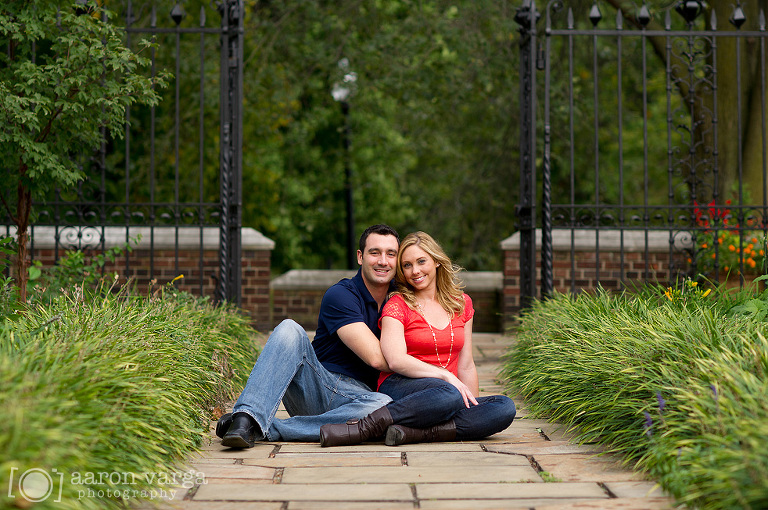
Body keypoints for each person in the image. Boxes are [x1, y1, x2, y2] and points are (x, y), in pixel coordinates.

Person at [319, 231, 516, 447]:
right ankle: (368, 426)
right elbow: (394, 360)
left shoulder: (461, 303)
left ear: (436, 262)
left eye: (421, 261)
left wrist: (471, 406)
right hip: (402, 383)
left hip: (443, 392)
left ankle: (414, 433)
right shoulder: (397, 304)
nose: (415, 271)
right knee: (449, 394)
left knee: (504, 407)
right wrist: (445, 377)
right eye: (407, 265)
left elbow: (466, 364)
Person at [218, 224, 400, 447]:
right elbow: (377, 359)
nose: (383, 261)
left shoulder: (402, 299)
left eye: (391, 254)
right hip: (317, 386)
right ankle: (246, 417)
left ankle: (264, 427)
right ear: (360, 257)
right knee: (289, 329)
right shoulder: (341, 295)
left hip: (360, 400)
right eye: (375, 252)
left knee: (383, 406)